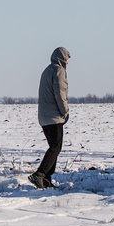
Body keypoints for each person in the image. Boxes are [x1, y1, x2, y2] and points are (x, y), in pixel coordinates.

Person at [30, 46, 71, 189]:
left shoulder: (46, 70)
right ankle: (40, 174)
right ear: (62, 59)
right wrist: (65, 111)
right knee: (56, 147)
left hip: (44, 116)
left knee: (53, 147)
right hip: (54, 116)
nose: (67, 62)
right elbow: (60, 94)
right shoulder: (59, 71)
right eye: (66, 59)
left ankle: (46, 180)